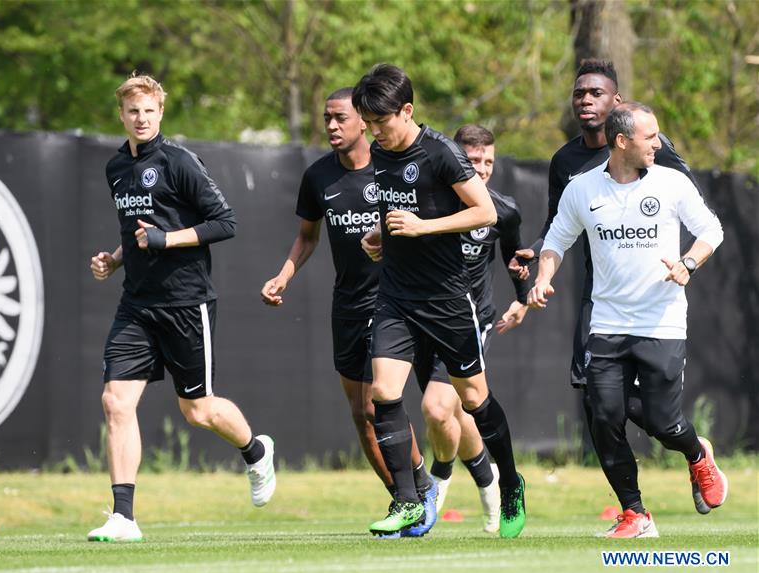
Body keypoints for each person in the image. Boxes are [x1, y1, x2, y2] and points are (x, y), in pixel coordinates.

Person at [260, 89, 498, 536]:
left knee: (437, 403)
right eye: (326, 117)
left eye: (342, 117)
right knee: (362, 414)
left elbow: (466, 211)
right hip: (348, 303)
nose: (333, 126)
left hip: (401, 301)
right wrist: (284, 275)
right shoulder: (318, 178)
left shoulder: (395, 161)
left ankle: (459, 484)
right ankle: (410, 495)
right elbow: (308, 237)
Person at [510, 59, 711, 514]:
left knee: (657, 415)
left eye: (595, 93)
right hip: (599, 296)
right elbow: (559, 226)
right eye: (579, 92)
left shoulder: (656, 155)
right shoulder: (567, 164)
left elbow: (688, 208)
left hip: (657, 292)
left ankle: (687, 442)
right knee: (597, 400)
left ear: (615, 103)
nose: (585, 100)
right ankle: (633, 510)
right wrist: (539, 259)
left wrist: (686, 262)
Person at [87, 73, 276, 542]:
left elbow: (224, 222)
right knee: (115, 402)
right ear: (122, 116)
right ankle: (124, 517)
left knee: (198, 410)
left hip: (186, 304)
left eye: (149, 111)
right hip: (137, 304)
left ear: (160, 112)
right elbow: (137, 230)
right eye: (133, 111)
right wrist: (114, 259)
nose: (141, 118)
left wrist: (166, 240)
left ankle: (255, 451)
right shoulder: (116, 168)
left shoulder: (180, 161)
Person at [353, 64, 525, 539]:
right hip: (395, 294)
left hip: (448, 299)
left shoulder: (441, 153)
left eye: (380, 122)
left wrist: (423, 228)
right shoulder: (380, 151)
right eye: (367, 123)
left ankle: (510, 483)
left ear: (407, 111)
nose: (373, 132)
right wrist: (381, 235)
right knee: (383, 395)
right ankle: (408, 500)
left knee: (473, 399)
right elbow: (399, 212)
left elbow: (485, 211)